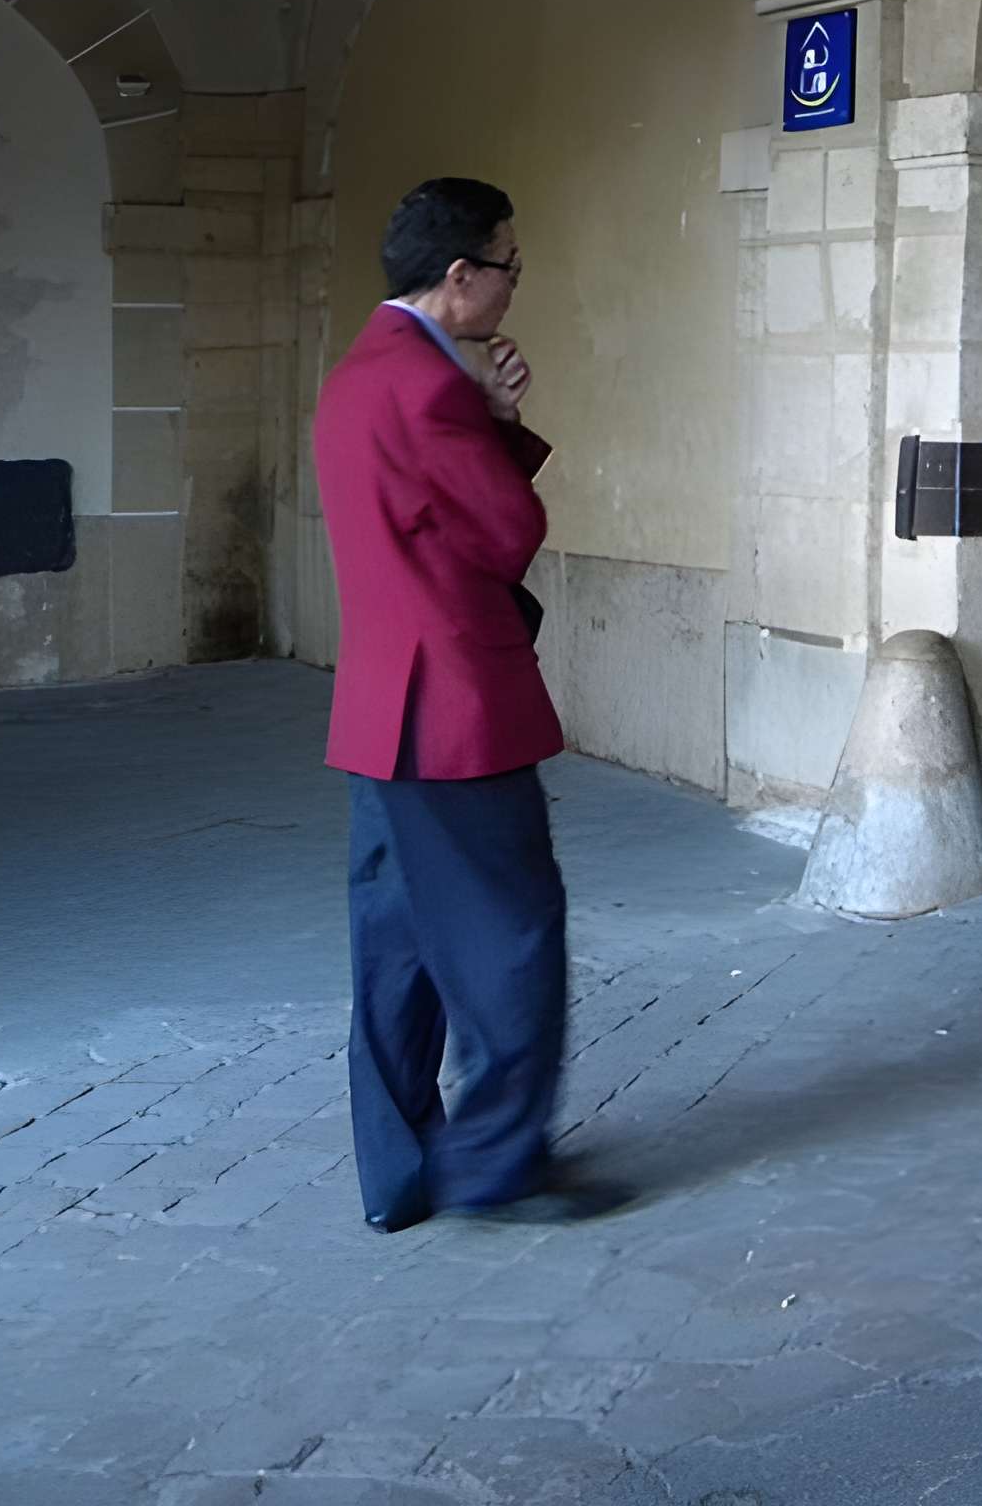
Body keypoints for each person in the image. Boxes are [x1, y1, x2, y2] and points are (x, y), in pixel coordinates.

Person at [313, 177, 625, 1230]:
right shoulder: (432, 385)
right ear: (460, 276)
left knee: (397, 949)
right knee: (512, 933)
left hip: (379, 707)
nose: (511, 289)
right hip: (453, 706)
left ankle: (399, 1174)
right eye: (508, 268)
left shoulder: (357, 372)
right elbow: (504, 533)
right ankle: (495, 1164)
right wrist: (500, 420)